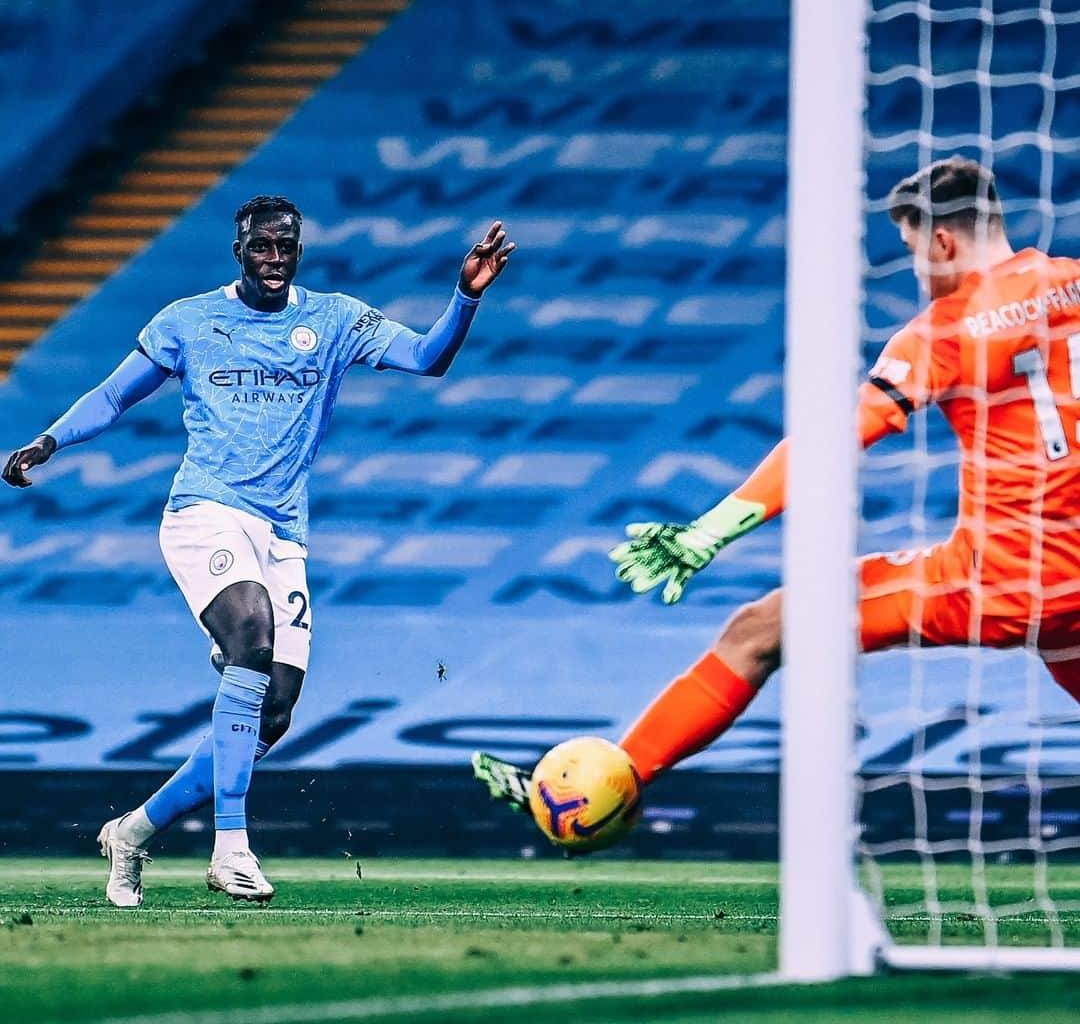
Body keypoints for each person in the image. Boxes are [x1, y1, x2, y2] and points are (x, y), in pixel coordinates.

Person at [476, 156, 1080, 828]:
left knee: (760, 630)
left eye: (914, 253)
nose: (919, 273)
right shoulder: (1075, 284)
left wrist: (711, 531)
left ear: (943, 241)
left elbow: (833, 443)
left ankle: (608, 790)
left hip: (997, 583)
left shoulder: (945, 330)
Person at [4, 196, 514, 904]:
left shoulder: (333, 319)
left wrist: (464, 296)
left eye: (286, 247)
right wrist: (49, 440)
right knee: (251, 637)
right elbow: (115, 396)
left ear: (299, 250)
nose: (274, 259)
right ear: (238, 250)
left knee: (271, 713)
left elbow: (426, 360)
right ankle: (232, 847)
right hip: (205, 512)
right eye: (261, 247)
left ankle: (133, 832)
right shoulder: (189, 321)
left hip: (283, 534)